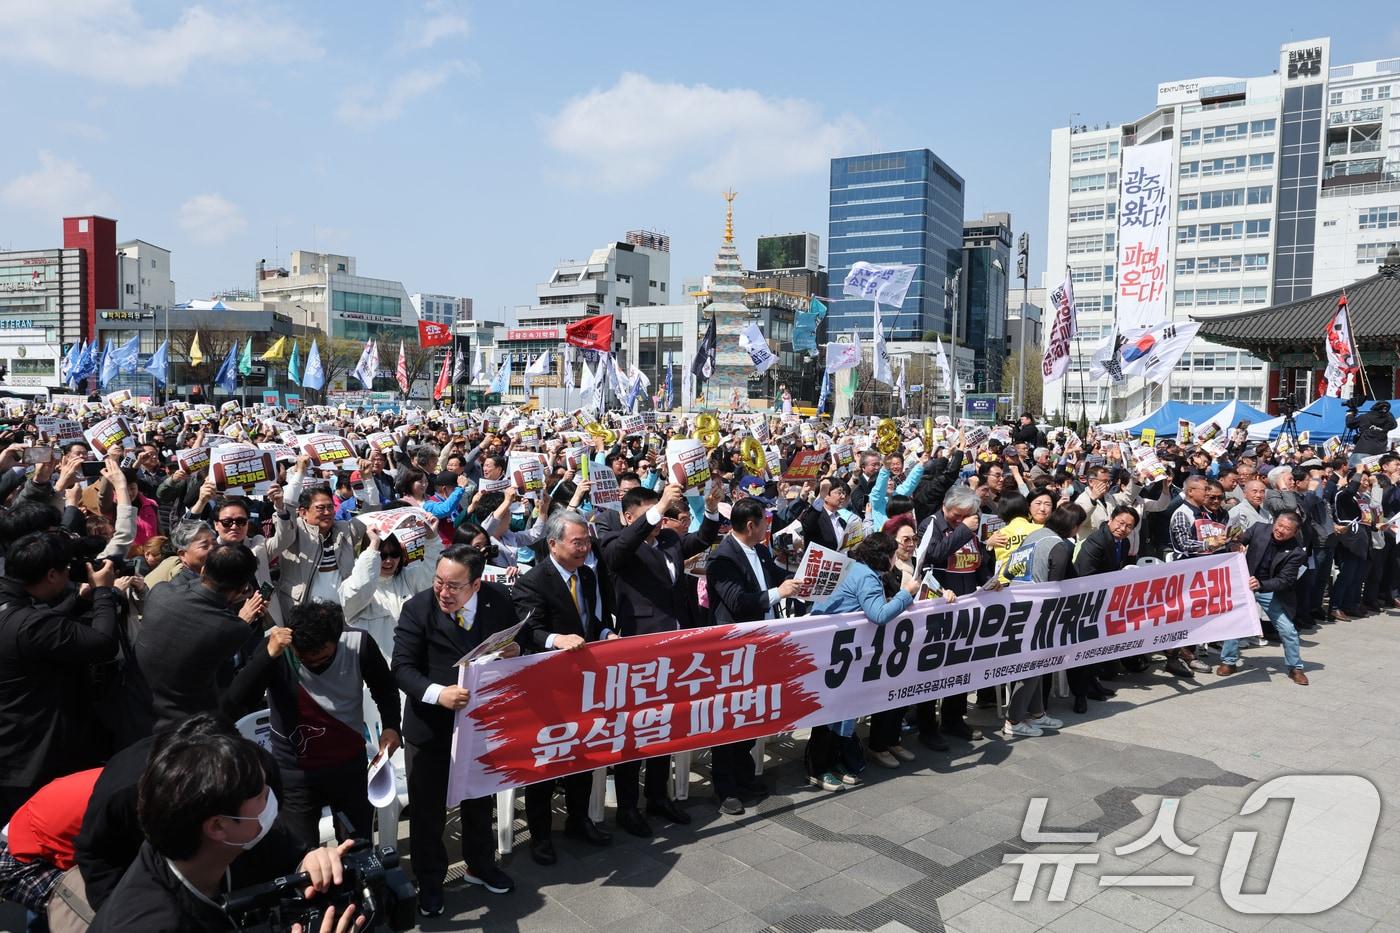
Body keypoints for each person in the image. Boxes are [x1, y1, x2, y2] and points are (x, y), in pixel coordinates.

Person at [88, 731, 359, 932]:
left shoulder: (237, 840)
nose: (271, 801)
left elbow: (287, 854)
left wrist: (309, 861)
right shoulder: (149, 923)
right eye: (262, 795)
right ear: (218, 826)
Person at [391, 545, 520, 916]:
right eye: (438, 582)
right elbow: (401, 668)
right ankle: (430, 882)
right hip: (430, 727)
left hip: (480, 721)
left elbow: (514, 643)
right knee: (428, 812)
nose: (444, 592)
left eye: (454, 586)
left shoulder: (497, 601)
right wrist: (437, 693)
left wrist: (515, 651)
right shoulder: (418, 608)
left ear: (476, 584)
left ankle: (481, 865)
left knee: (479, 798)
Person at [224, 600, 401, 850]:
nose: (314, 665)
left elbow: (385, 688)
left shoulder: (358, 643)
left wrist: (392, 726)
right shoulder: (276, 648)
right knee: (300, 851)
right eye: (305, 660)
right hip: (296, 773)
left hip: (349, 766)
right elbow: (236, 701)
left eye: (323, 658)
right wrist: (267, 656)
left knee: (357, 846)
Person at [600, 482, 720, 837]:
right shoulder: (617, 541)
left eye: (662, 513)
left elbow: (700, 540)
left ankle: (658, 796)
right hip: (639, 649)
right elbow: (617, 554)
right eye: (650, 514)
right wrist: (656, 509)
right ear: (629, 516)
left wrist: (710, 509)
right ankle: (627, 807)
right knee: (635, 730)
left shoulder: (668, 541)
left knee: (664, 727)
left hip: (675, 648)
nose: (658, 520)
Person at [513, 510, 614, 863]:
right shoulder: (532, 581)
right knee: (546, 761)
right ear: (553, 544)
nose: (585, 548)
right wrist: (556, 640)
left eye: (587, 541)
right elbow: (528, 631)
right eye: (578, 542)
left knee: (582, 754)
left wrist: (605, 634)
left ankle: (579, 819)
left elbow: (593, 620)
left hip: (583, 681)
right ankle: (540, 835)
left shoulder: (586, 575)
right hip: (548, 685)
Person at [0, 531, 120, 825]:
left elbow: (43, 629)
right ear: (51, 575)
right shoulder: (32, 625)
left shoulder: (13, 607)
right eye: (66, 568)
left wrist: (76, 600)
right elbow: (103, 644)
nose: (70, 573)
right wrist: (103, 592)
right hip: (33, 756)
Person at [704, 498, 801, 815]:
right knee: (729, 718)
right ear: (751, 525)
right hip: (734, 649)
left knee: (751, 713)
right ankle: (726, 786)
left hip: (763, 644)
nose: (766, 528)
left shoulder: (759, 550)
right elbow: (739, 601)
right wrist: (780, 593)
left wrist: (798, 578)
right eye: (764, 523)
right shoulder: (722, 558)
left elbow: (773, 575)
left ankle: (744, 776)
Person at [809, 533, 922, 785]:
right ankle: (818, 767)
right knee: (834, 708)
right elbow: (878, 615)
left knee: (842, 708)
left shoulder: (855, 568)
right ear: (885, 557)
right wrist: (906, 594)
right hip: (838, 651)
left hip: (837, 647)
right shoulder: (868, 577)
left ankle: (834, 761)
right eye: (894, 554)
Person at [135, 542, 266, 728]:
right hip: (180, 724)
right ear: (243, 587)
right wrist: (243, 619)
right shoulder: (234, 628)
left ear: (203, 569)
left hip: (133, 705)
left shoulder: (160, 591)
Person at [999, 504, 1083, 735]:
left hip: (1016, 602)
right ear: (1073, 526)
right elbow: (1054, 587)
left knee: (1037, 664)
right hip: (1037, 610)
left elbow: (1008, 571)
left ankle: (1036, 713)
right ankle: (1013, 721)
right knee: (1033, 665)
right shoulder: (1059, 545)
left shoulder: (1035, 534)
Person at [1216, 512, 1309, 685]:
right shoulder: (1260, 528)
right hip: (1245, 584)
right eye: (1279, 525)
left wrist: (1261, 585)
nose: (1280, 530)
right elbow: (1238, 541)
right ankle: (1228, 661)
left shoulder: (1297, 552)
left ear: (1295, 532)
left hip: (1269, 590)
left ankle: (1295, 667)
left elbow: (1285, 580)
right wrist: (1235, 544)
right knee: (1235, 622)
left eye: (1287, 529)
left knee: (1287, 629)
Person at [342, 522, 443, 658]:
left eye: (394, 554)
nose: (389, 561)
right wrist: (373, 546)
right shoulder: (351, 586)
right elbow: (359, 586)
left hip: (411, 665)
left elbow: (433, 573)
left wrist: (432, 537)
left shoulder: (409, 577)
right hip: (376, 671)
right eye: (382, 555)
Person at [268, 486, 358, 622]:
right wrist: (281, 507)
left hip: (342, 617)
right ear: (303, 512)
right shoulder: (295, 531)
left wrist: (368, 481)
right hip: (303, 618)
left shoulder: (344, 529)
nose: (327, 512)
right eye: (320, 508)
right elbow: (285, 531)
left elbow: (372, 515)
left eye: (330, 507)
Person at [143, 519, 216, 590]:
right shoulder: (181, 588)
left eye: (215, 544)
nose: (213, 549)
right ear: (182, 555)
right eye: (204, 546)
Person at [799, 479, 849, 551]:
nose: (843, 497)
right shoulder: (816, 516)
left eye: (844, 493)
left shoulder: (842, 522)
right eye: (839, 493)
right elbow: (808, 523)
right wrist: (821, 496)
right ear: (825, 495)